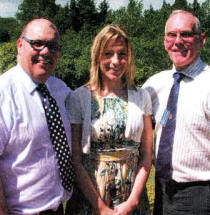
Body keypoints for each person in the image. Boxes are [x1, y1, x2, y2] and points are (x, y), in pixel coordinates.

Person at [66, 24, 153, 215]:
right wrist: (101, 208)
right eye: (108, 53)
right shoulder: (79, 97)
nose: (116, 61)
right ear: (97, 56)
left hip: (132, 199)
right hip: (91, 200)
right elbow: (76, 160)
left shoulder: (142, 96)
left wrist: (132, 201)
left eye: (122, 54)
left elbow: (146, 155)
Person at [0, 18, 74, 215]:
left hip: (59, 208)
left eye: (53, 46)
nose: (46, 52)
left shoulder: (62, 91)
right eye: (37, 43)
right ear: (20, 45)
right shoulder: (3, 94)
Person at [143, 10, 210, 215]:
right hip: (162, 193)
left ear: (202, 39)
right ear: (165, 41)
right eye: (172, 35)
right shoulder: (154, 85)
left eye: (186, 34)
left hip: (200, 195)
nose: (178, 41)